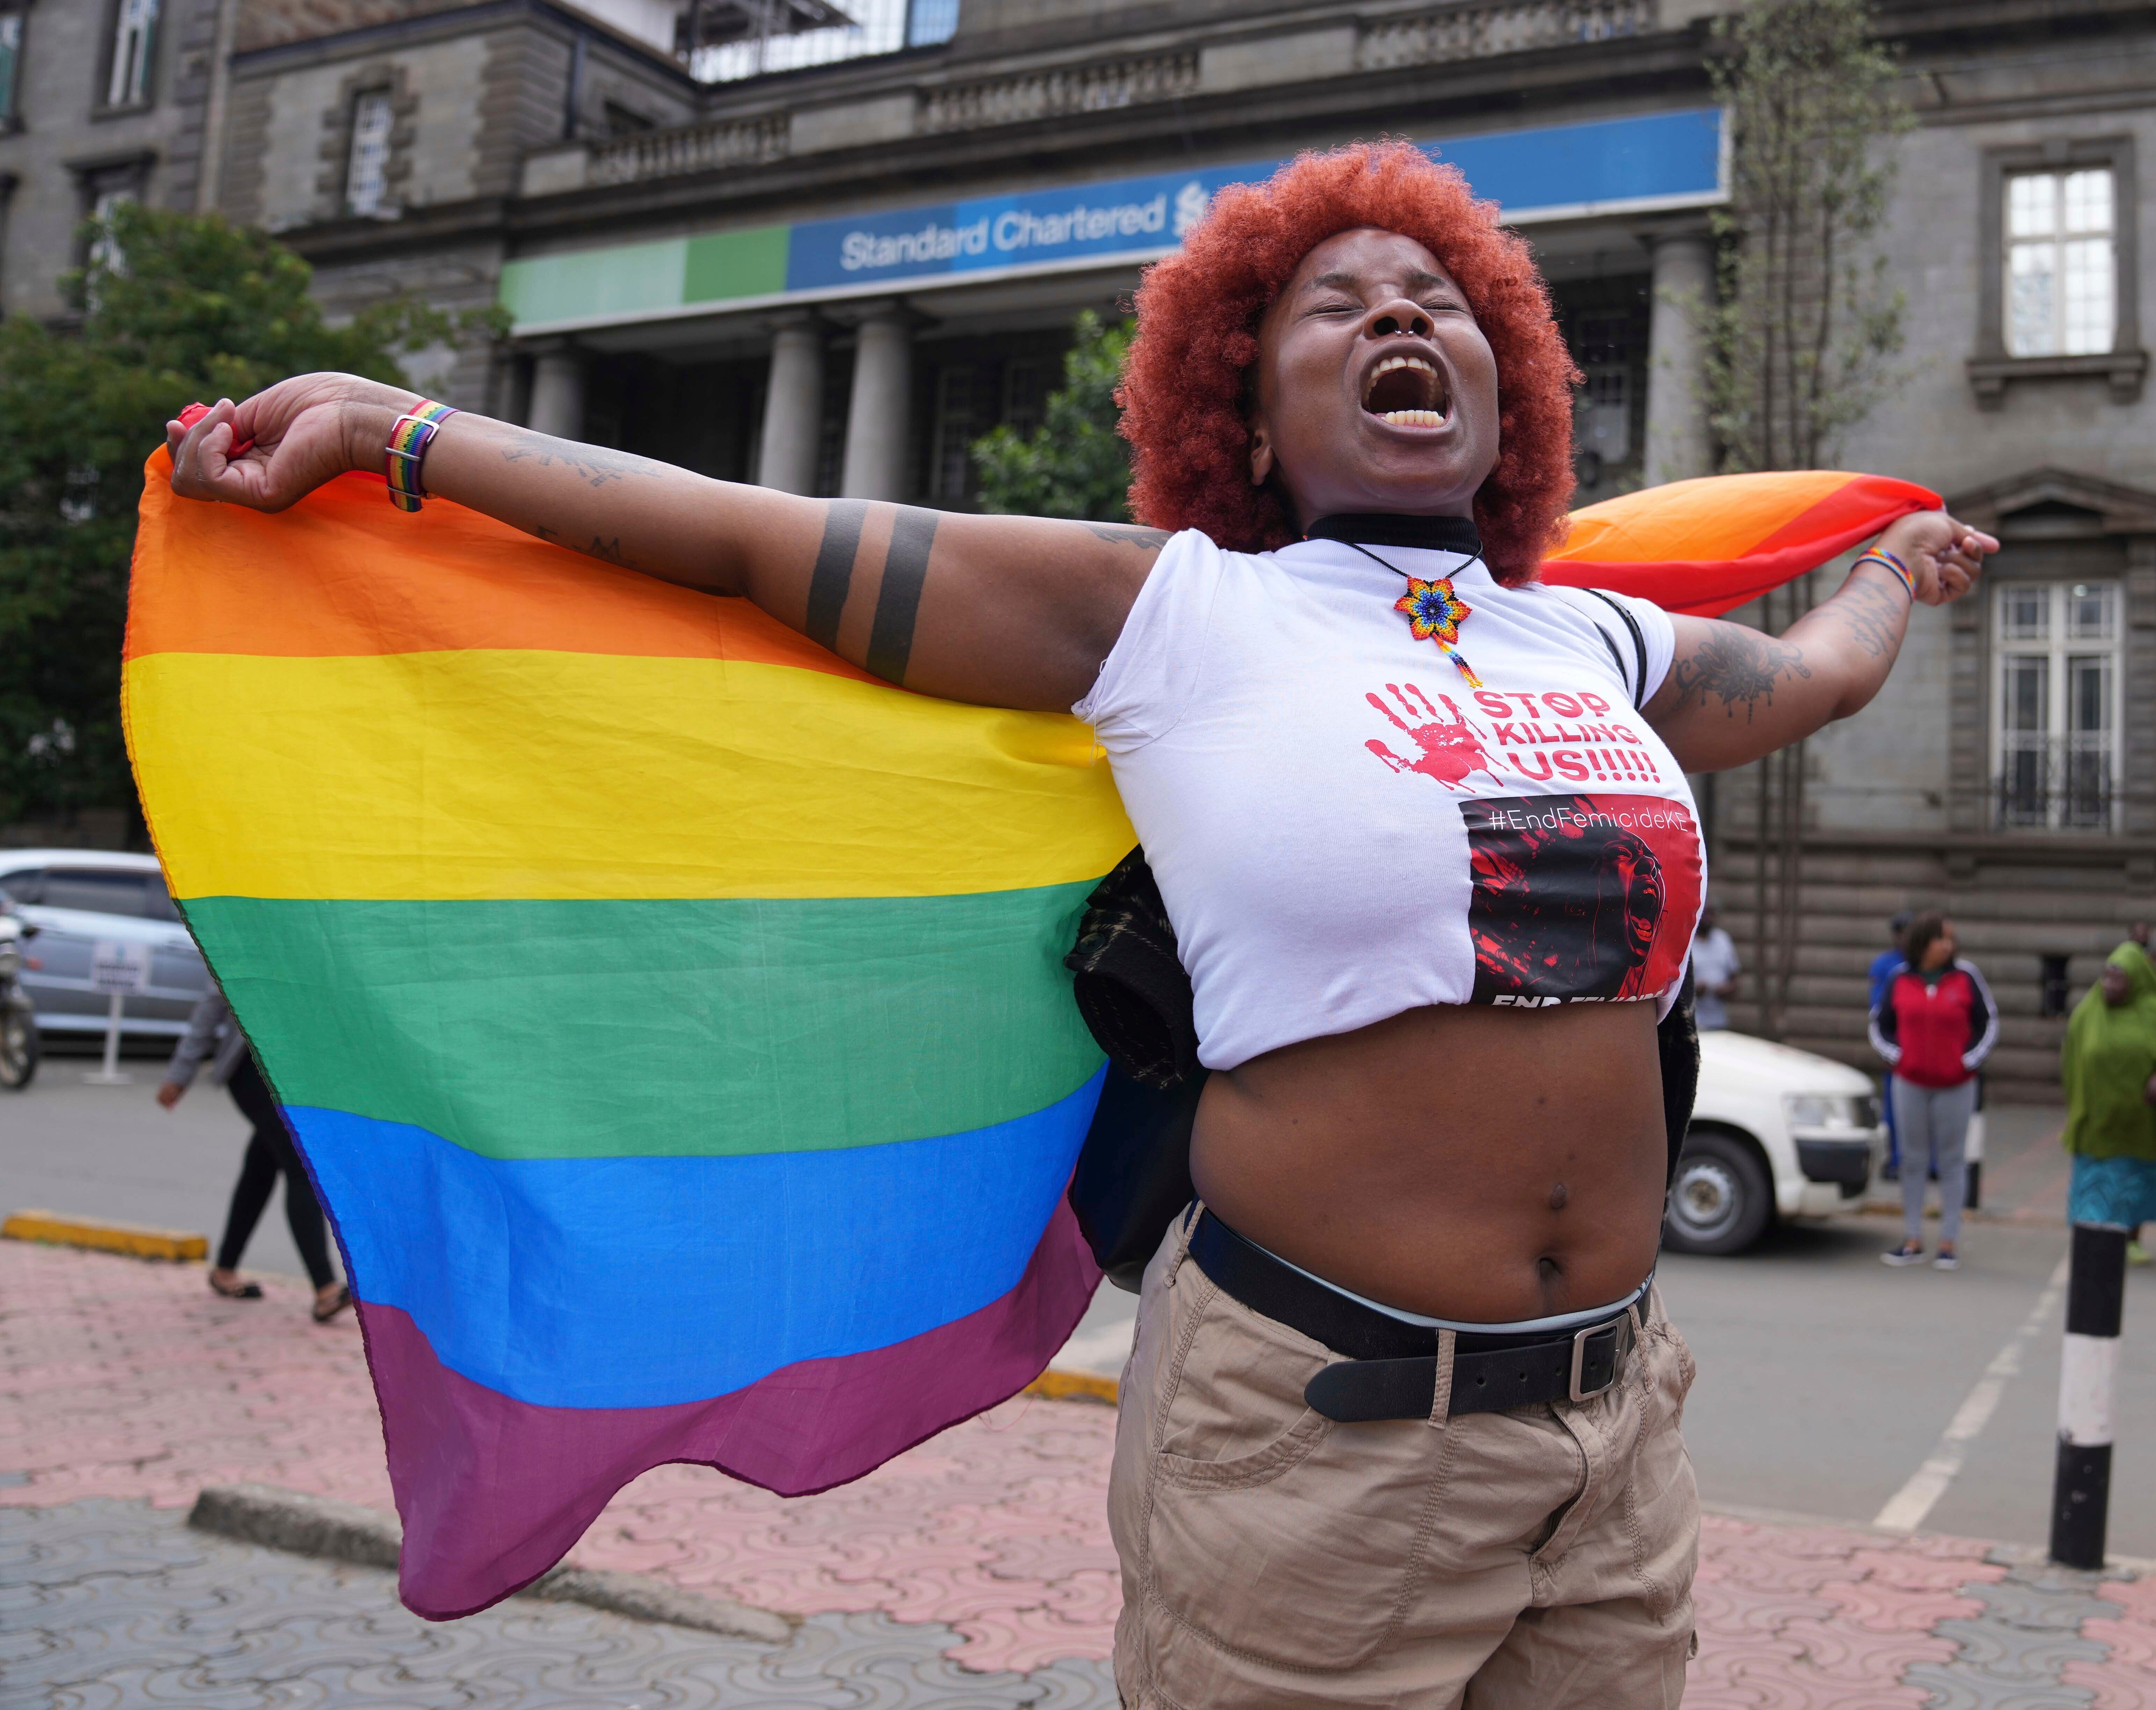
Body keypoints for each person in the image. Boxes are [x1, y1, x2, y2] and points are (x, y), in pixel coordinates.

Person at [168, 142, 1992, 1706]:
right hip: (1318, 1437)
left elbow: (1806, 671)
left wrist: (1892, 581)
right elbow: (743, 536)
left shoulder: (1590, 642)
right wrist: (402, 430)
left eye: (1439, 296)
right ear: (1244, 410)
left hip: (1614, 1437)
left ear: (1506, 386)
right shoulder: (1171, 612)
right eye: (1337, 303)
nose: (1400, 316)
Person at [160, 989, 352, 1322]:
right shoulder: (245, 937)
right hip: (253, 1069)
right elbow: (212, 1004)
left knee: (261, 1167)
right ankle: (325, 1290)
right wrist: (181, 1073)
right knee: (300, 1164)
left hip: (296, 1071)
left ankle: (224, 1269)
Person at [1870, 910, 1997, 1271]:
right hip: (1909, 1082)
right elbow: (1880, 1024)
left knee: (1952, 1160)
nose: (1949, 944)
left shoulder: (1966, 977)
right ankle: (1912, 1238)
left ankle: (1948, 1241)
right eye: (1942, 938)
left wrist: (1967, 1061)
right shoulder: (1899, 978)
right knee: (1912, 1159)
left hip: (1956, 1085)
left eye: (1951, 938)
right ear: (1924, 942)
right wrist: (1899, 1057)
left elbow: (1988, 1023)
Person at [2061, 942, 2156, 1266]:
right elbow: (2071, 1056)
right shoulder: (2089, 1012)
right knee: (2096, 1182)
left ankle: (2132, 1237)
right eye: (2106, 977)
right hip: (2098, 1118)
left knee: (2133, 1181)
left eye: (2118, 979)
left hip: (2139, 1120)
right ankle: (2092, 1236)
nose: (2109, 985)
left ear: (2136, 981)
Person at [1870, 909, 1912, 1179]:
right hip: (1896, 1043)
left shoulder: (1924, 964)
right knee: (1894, 1107)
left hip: (1921, 1041)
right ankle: (1895, 1160)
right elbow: (1877, 1008)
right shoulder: (1885, 965)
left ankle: (1927, 1163)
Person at [1689, 904, 1741, 1032]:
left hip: (1719, 1021)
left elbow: (1736, 979)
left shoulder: (1723, 940)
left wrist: (1726, 990)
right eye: (1705, 914)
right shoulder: (1688, 942)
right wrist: (1694, 990)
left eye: (1711, 914)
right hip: (1693, 1022)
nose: (1708, 918)